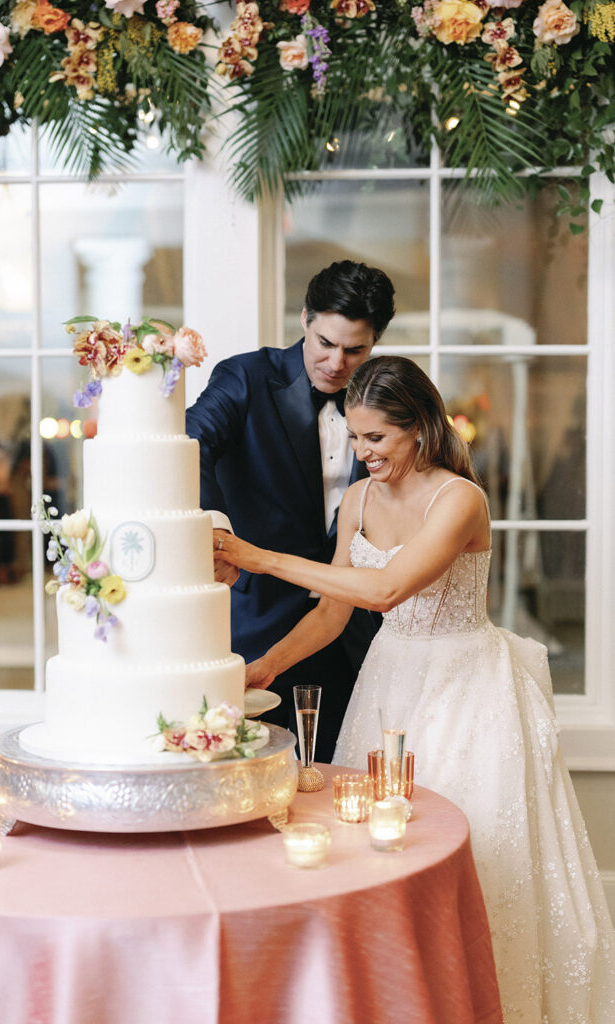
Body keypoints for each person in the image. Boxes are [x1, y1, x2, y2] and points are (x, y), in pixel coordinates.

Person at [213, 355, 615, 1024]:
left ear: (419, 429)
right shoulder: (359, 501)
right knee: (379, 852)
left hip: (466, 689)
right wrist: (266, 666)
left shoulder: (459, 499)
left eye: (376, 437)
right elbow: (334, 611)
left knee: (476, 850)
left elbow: (386, 588)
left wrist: (252, 555)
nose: (360, 451)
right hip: (390, 681)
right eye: (353, 435)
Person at [186, 260, 396, 762]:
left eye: (355, 350)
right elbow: (190, 443)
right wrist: (217, 536)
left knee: (340, 785)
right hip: (258, 631)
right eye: (325, 342)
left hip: (352, 635)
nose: (336, 362)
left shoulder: (382, 401)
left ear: (375, 344)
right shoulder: (245, 377)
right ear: (304, 318)